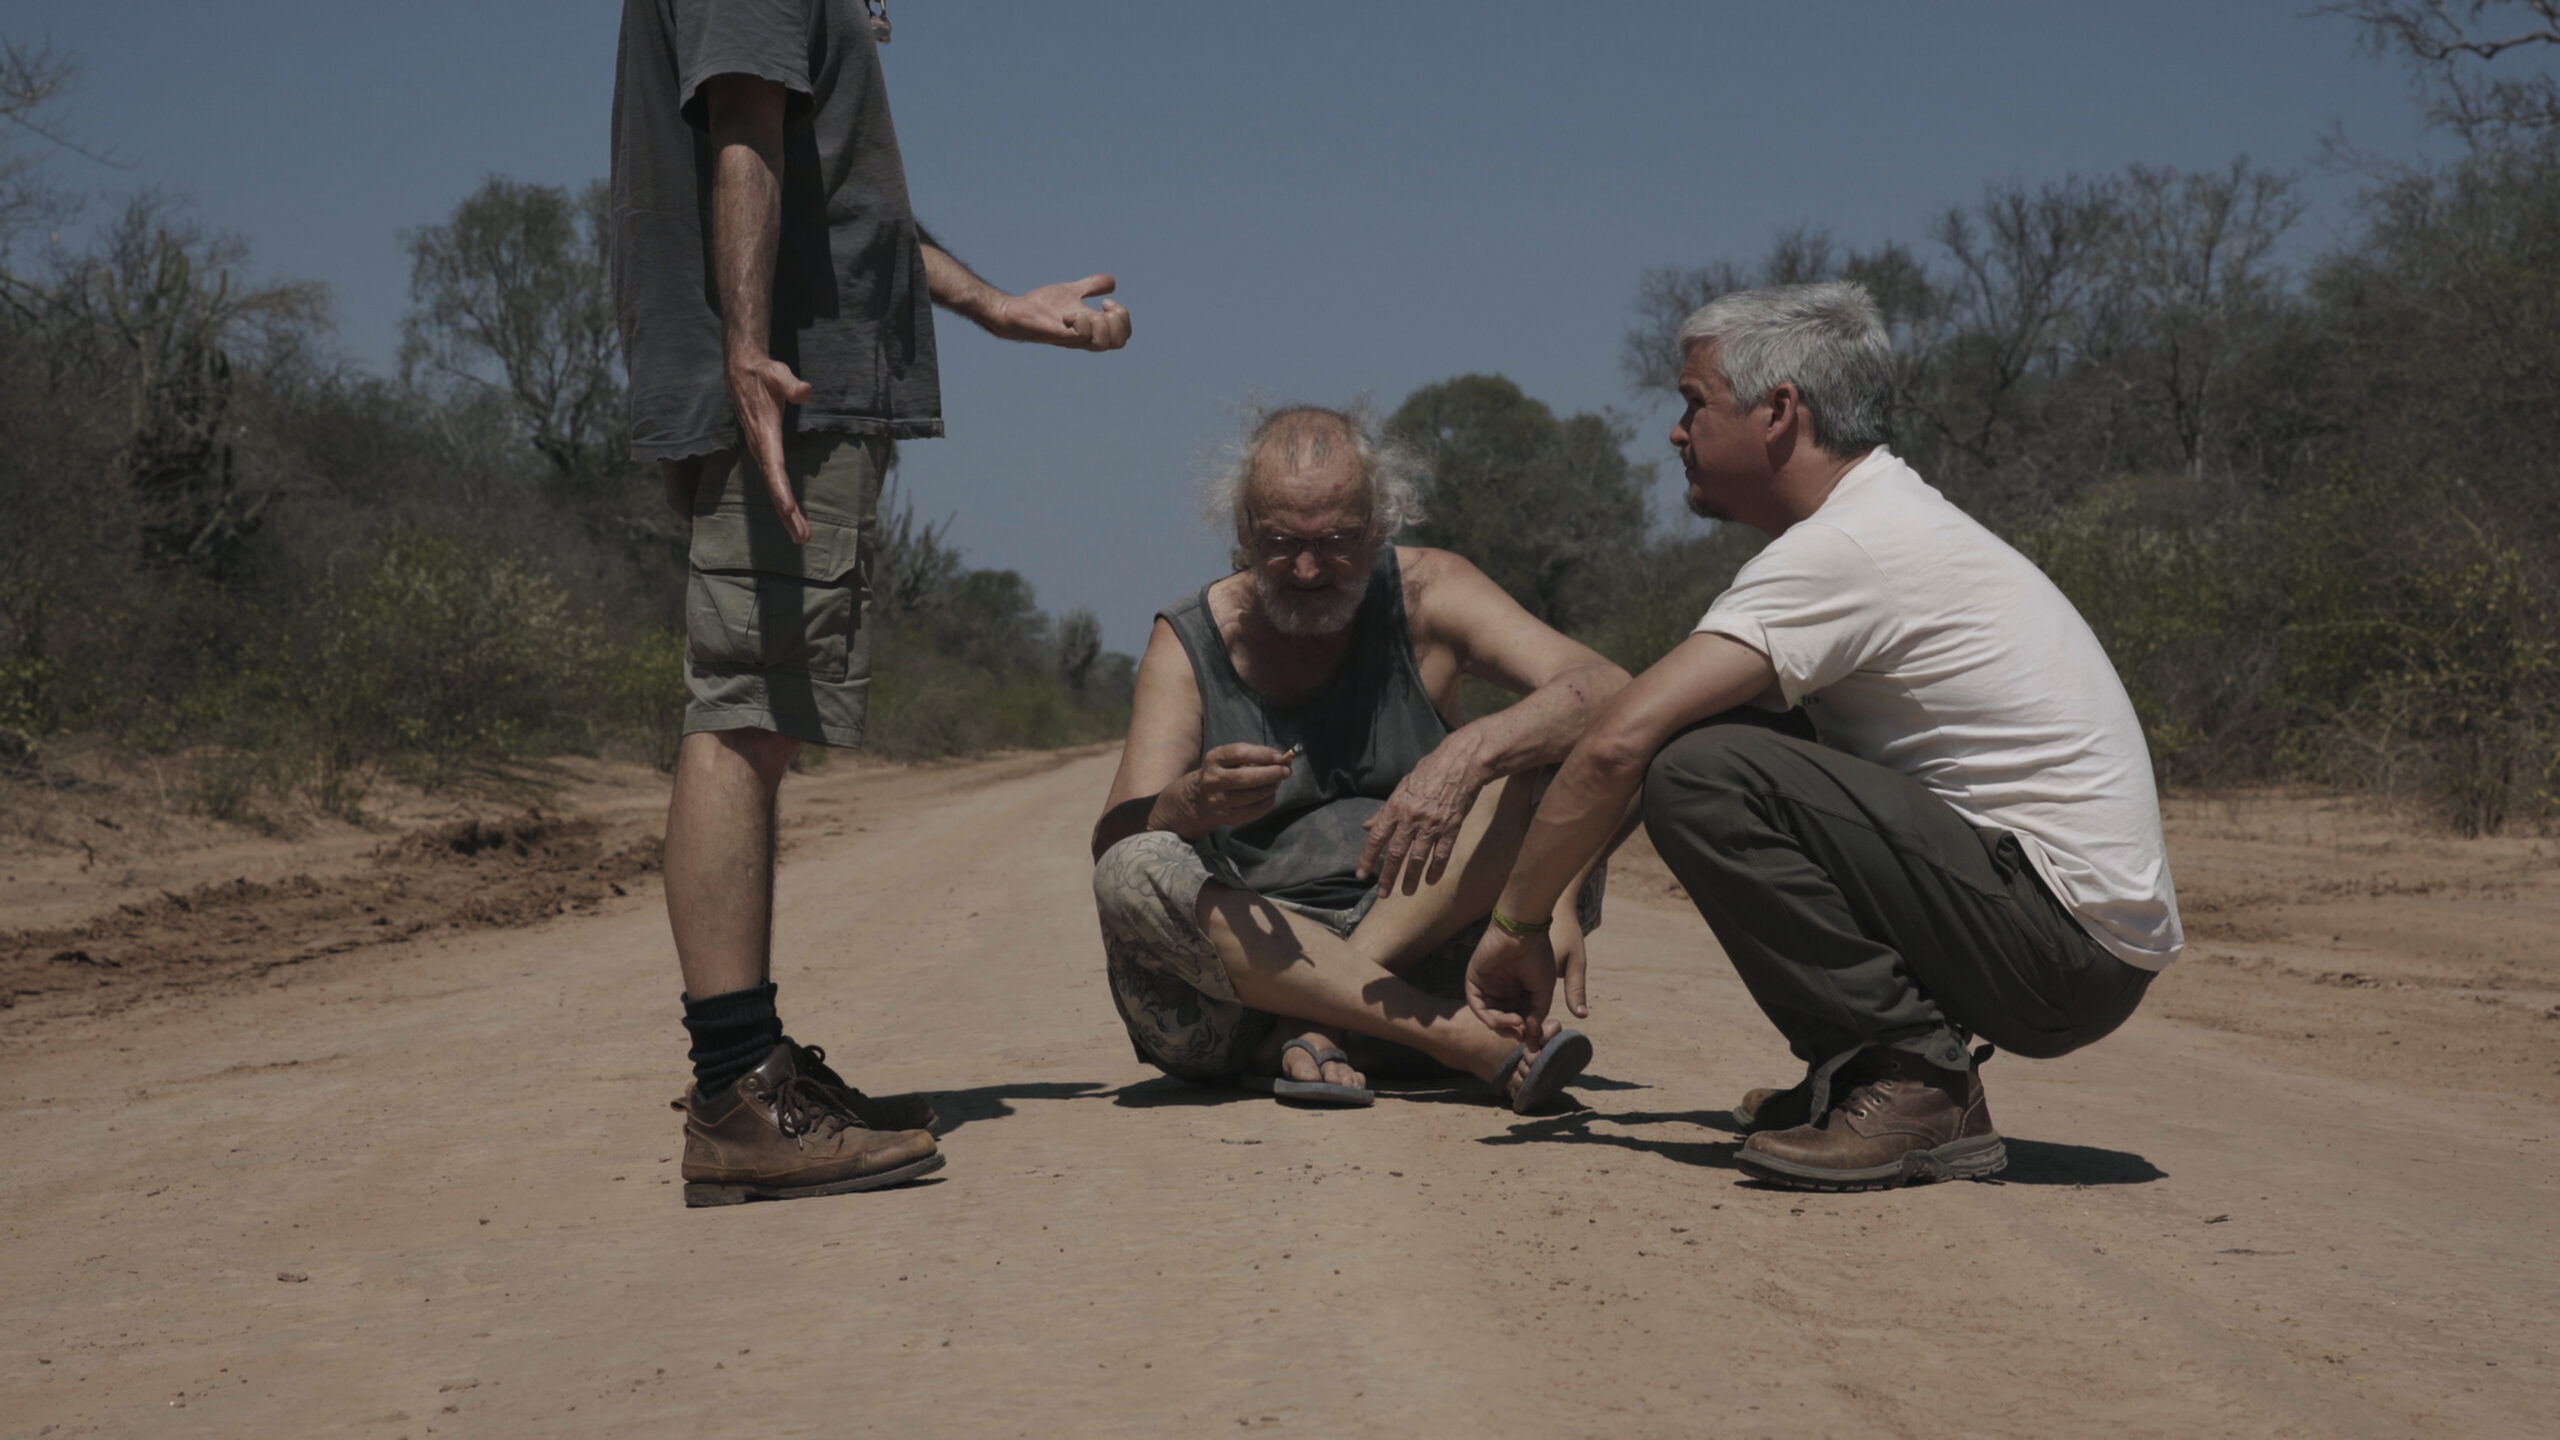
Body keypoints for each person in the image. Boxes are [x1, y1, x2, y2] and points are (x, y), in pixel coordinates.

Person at [1465, 282, 2181, 1191]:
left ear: (1778, 411)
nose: (1676, 433)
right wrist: (1564, 894)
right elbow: (1657, 729)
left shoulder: (1849, 546)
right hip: (2062, 940)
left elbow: (1619, 743)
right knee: (1718, 733)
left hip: (2058, 950)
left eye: (1693, 404)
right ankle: (1865, 1065)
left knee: (1702, 773)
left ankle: (1914, 1079)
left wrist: (1517, 923)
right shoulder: (1876, 524)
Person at [611, 0, 1133, 1207]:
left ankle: (756, 1072)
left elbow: (830, 182)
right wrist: (751, 354)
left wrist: (992, 304)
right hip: (784, 383)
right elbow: (744, 128)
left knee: (761, 708)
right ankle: (739, 1092)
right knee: (743, 710)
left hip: (788, 371)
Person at [1090, 407, 1628, 1111]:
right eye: (1281, 542)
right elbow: (1116, 837)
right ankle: (1447, 1037)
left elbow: (1610, 691)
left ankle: (1315, 1027)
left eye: (1338, 541)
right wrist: (1187, 804)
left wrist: (1472, 753)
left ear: (1380, 523)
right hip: (1241, 992)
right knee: (1130, 869)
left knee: (1553, 761)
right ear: (1244, 530)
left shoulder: (1432, 591)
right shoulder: (1191, 639)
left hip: (1440, 956)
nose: (1308, 569)